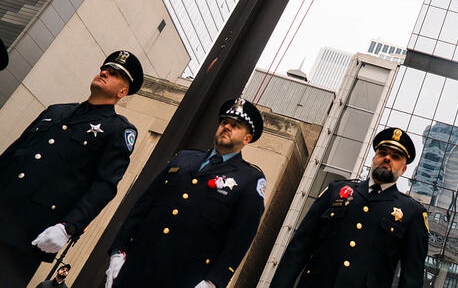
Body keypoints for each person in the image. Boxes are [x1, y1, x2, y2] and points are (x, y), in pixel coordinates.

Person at [0, 50, 142, 286]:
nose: (104, 72)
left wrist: (69, 227)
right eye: (105, 68)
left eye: (115, 73)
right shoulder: (56, 111)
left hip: (26, 232)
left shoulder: (118, 131)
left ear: (123, 92)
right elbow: (13, 154)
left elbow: (104, 186)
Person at [105, 97, 268, 288]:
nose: (226, 127)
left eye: (236, 125)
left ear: (247, 139)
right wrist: (119, 249)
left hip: (184, 277)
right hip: (137, 265)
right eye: (224, 122)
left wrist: (213, 281)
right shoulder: (184, 159)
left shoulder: (249, 180)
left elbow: (240, 238)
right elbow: (143, 206)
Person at [271, 127, 429, 288]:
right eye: (382, 153)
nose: (387, 158)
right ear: (374, 158)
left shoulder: (412, 213)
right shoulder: (336, 191)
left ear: (403, 169)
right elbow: (299, 247)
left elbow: (412, 278)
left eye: (395, 157)